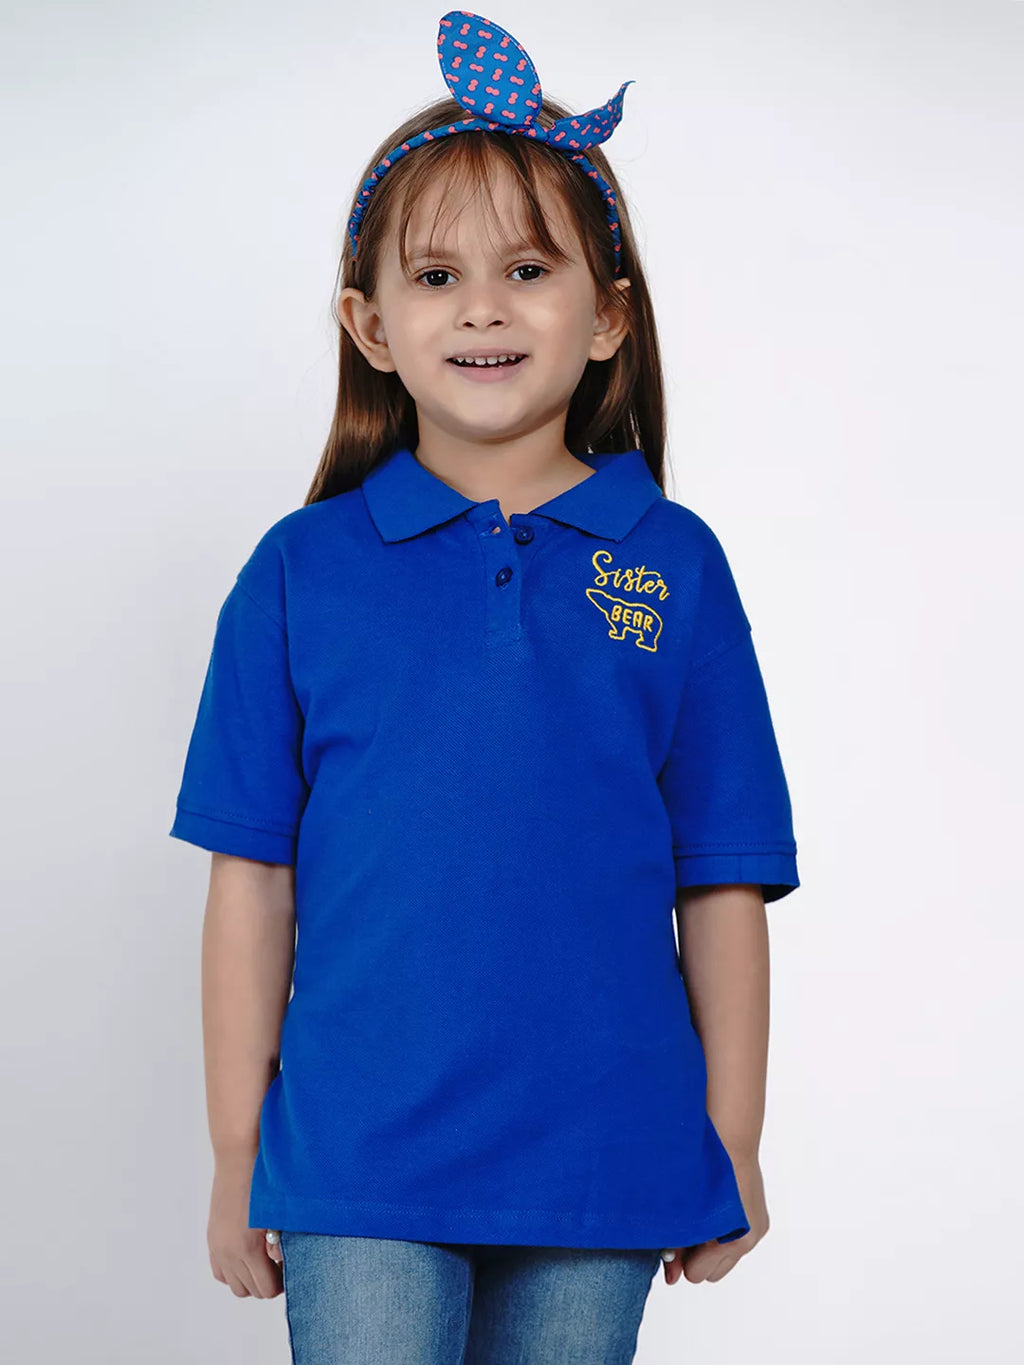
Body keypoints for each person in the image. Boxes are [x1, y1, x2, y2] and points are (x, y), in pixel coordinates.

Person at [169, 10, 801, 1363]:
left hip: (606, 1155)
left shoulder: (676, 567)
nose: (483, 307)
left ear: (607, 316)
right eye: (437, 275)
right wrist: (239, 1150)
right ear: (372, 325)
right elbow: (251, 882)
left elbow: (724, 879)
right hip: (358, 1157)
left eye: (528, 267)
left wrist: (732, 1138)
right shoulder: (300, 572)